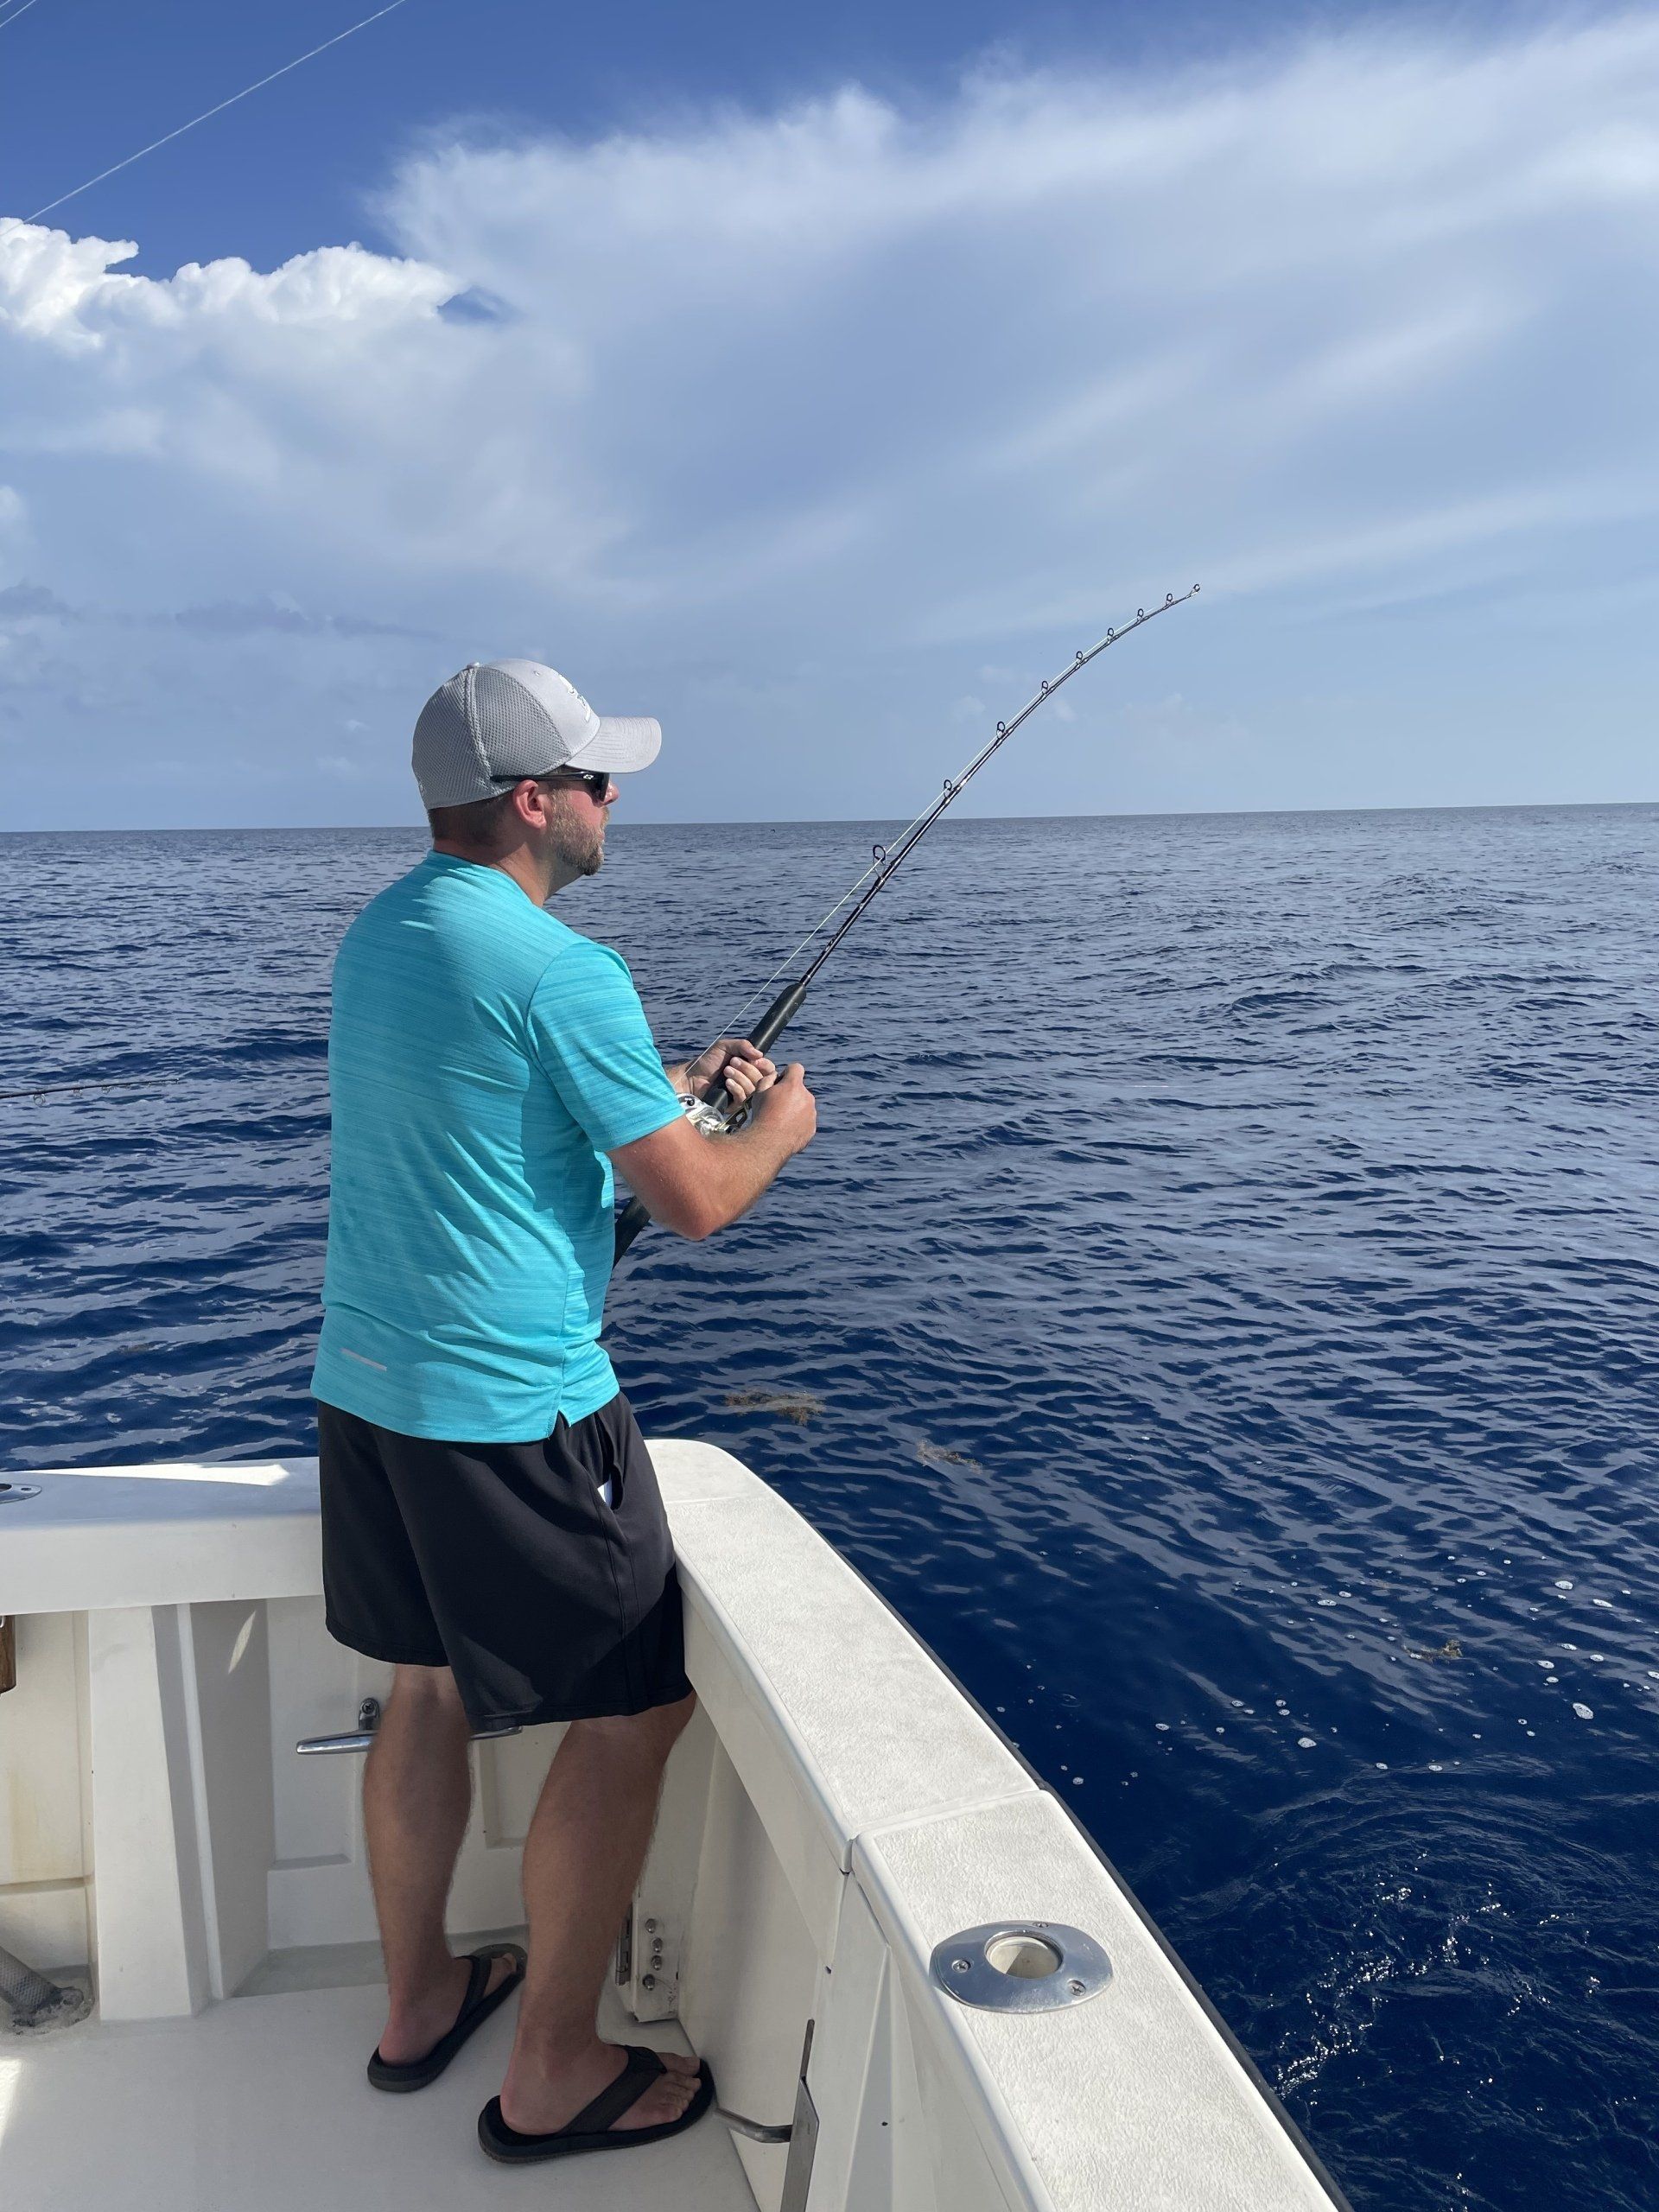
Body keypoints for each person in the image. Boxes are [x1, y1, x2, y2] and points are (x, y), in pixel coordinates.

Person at [308, 658, 817, 2164]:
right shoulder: (561, 971)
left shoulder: (383, 935)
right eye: (600, 780)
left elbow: (496, 1134)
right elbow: (702, 1199)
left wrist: (654, 1085)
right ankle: (548, 2070)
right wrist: (768, 1124)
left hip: (370, 1393)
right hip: (514, 1417)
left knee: (421, 1685)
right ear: (537, 802)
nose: (615, 802)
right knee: (635, 1707)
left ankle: (417, 2008)